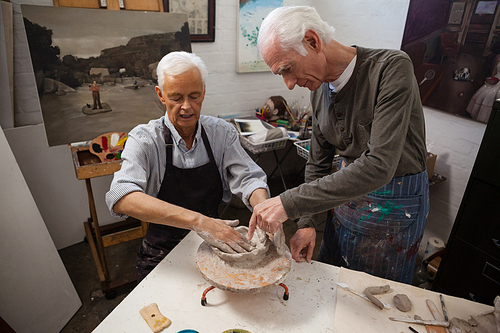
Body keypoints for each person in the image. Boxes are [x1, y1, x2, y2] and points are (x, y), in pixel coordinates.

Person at [248, 6, 429, 284]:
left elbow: (380, 165)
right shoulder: (318, 90)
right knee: (332, 285)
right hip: (344, 203)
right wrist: (307, 222)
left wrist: (288, 203)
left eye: (288, 69)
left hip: (393, 209)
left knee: (372, 298)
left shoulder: (390, 69)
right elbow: (318, 163)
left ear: (312, 40)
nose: (289, 84)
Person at [106, 51, 270, 282]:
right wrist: (200, 222)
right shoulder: (144, 139)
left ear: (204, 91)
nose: (186, 107)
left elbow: (248, 178)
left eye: (194, 96)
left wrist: (264, 211)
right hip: (161, 252)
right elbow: (121, 197)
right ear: (160, 95)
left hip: (213, 244)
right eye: (176, 97)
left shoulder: (221, 133)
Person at [466, 42, 500, 123]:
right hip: (496, 80)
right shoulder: (498, 57)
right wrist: (491, 80)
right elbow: (494, 71)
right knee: (486, 94)